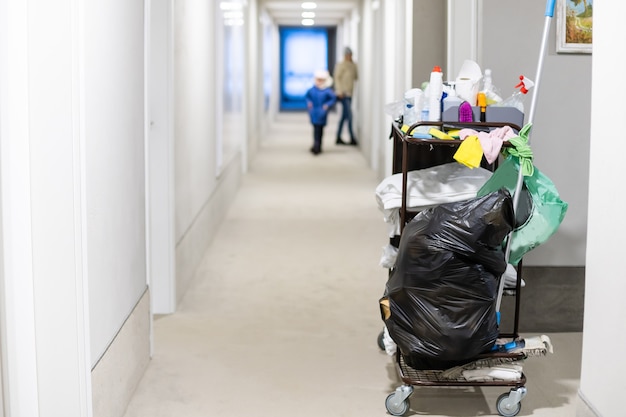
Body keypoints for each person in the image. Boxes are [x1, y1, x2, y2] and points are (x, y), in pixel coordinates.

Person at [305, 69, 337, 155]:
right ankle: (315, 144)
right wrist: (309, 103)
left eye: (320, 80)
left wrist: (327, 105)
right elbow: (307, 97)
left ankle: (318, 145)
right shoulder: (312, 90)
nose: (318, 82)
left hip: (322, 113)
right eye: (317, 80)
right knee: (315, 129)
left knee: (320, 130)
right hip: (314, 112)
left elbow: (333, 99)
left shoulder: (327, 91)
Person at [333, 46, 358, 145]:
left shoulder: (353, 65)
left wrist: (353, 65)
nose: (349, 56)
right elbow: (337, 78)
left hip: (350, 93)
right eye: (347, 55)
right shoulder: (341, 65)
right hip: (343, 94)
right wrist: (339, 90)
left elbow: (356, 77)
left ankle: (338, 137)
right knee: (349, 116)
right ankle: (352, 137)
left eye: (350, 55)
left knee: (344, 116)